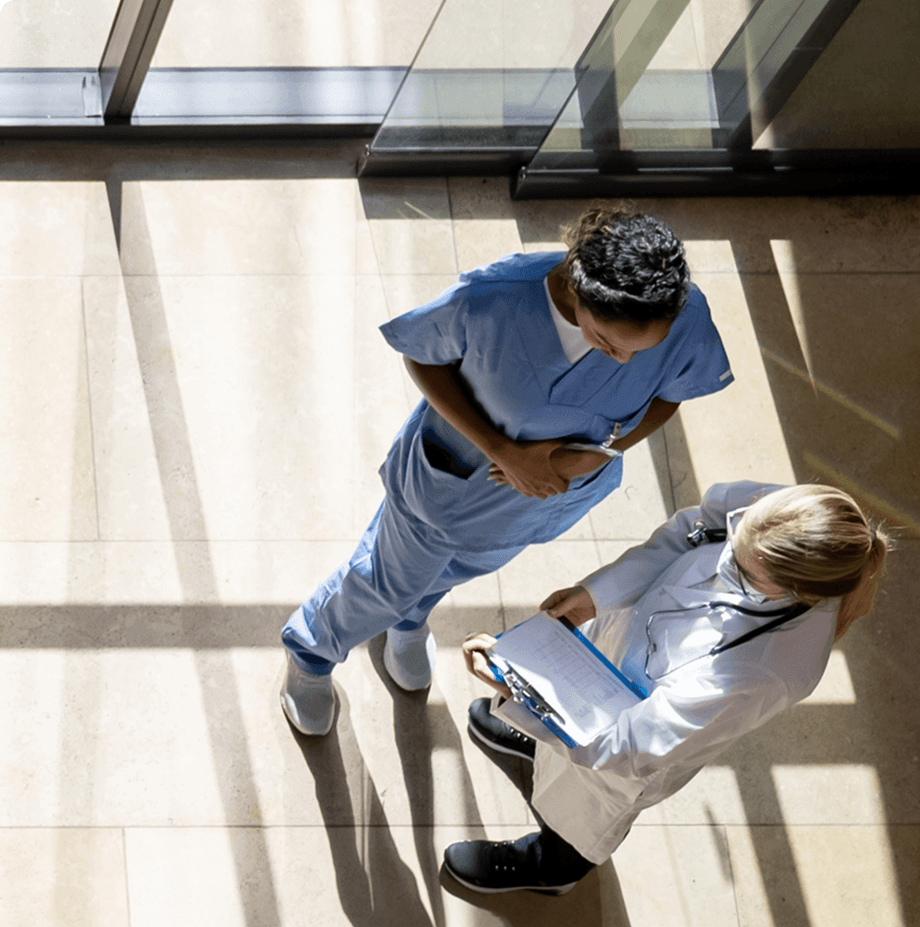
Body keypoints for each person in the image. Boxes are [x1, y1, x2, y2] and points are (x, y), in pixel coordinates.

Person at [280, 204, 733, 735]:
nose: (624, 363)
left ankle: (408, 618)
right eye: (606, 343)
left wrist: (604, 449)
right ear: (575, 290)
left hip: (544, 497)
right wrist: (503, 450)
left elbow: (670, 392)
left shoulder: (680, 312)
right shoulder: (493, 299)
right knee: (382, 581)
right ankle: (310, 653)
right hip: (453, 477)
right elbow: (422, 358)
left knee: (461, 567)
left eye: (640, 350)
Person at [446, 479, 890, 895]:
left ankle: (553, 867)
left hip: (626, 745)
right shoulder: (780, 516)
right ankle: (541, 745)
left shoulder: (762, 672)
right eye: (734, 539)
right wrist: (597, 594)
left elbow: (627, 747)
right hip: (618, 655)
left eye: (740, 569)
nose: (724, 556)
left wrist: (526, 697)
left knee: (583, 810)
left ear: (797, 592)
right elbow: (689, 532)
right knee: (560, 756)